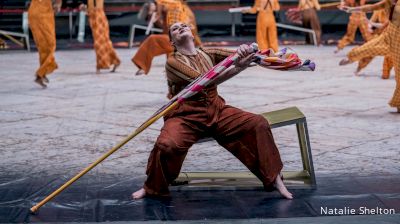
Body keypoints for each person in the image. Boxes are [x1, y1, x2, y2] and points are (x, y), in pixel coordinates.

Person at [132, 22, 293, 200]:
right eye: (175, 29)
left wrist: (243, 50)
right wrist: (239, 66)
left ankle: (275, 179)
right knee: (167, 145)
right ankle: (152, 187)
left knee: (258, 123)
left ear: (192, 35)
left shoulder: (207, 53)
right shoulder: (173, 62)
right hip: (186, 116)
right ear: (172, 42)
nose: (181, 27)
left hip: (216, 110)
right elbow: (204, 82)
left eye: (184, 25)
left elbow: (234, 56)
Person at [339, 0, 400, 112]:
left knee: (399, 76)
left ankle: (399, 104)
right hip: (387, 36)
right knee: (368, 48)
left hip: (398, 43)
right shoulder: (387, 2)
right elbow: (371, 7)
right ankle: (351, 58)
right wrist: (351, 9)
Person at [132, 0, 201, 76]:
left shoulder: (174, 7)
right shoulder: (174, 7)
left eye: (153, 9)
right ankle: (174, 68)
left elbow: (174, 28)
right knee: (167, 46)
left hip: (181, 38)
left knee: (153, 39)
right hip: (182, 38)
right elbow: (166, 27)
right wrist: (156, 19)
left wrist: (156, 15)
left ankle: (142, 66)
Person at [80, 0, 121, 74]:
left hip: (99, 17)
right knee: (104, 42)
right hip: (93, 18)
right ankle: (116, 61)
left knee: (99, 42)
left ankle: (99, 66)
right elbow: (86, 6)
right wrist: (84, 7)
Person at [28, 0, 62, 88]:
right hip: (42, 14)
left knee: (43, 47)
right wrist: (57, 5)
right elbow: (57, 4)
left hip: (34, 12)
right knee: (51, 45)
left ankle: (42, 73)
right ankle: (40, 74)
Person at [354, 9, 393, 77]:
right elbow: (371, 21)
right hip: (381, 36)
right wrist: (370, 26)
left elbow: (385, 25)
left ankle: (386, 74)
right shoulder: (379, 10)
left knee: (390, 57)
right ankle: (358, 68)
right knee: (370, 51)